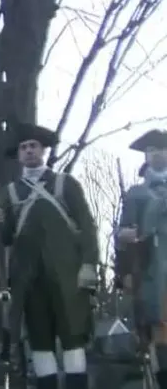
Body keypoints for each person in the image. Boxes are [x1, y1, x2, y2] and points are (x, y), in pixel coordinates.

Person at [0, 122, 97, 389]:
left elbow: (86, 225)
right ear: (18, 154)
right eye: (23, 147)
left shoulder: (65, 184)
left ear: (43, 150)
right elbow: (6, 238)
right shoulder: (10, 192)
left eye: (33, 146)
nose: (28, 151)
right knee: (40, 342)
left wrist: (88, 264)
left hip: (68, 276)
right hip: (29, 280)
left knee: (73, 339)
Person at [115, 129, 167, 387]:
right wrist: (124, 272)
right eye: (151, 150)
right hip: (152, 271)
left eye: (162, 148)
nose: (156, 153)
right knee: (159, 330)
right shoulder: (136, 193)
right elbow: (123, 235)